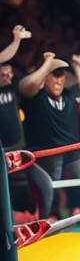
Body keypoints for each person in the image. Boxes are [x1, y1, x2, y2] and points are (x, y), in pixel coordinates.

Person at [19, 51, 80, 215]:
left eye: (62, 76)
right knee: (50, 186)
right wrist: (47, 63)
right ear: (45, 78)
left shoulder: (68, 95)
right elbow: (25, 86)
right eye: (55, 76)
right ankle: (50, 215)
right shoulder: (35, 97)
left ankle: (75, 210)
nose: (59, 80)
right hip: (49, 151)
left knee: (79, 180)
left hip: (73, 148)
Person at [0, 27, 55, 219]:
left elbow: (32, 84)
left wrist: (47, 64)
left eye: (9, 73)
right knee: (7, 195)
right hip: (2, 154)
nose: (7, 76)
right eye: (2, 74)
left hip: (20, 150)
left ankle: (43, 219)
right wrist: (16, 40)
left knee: (45, 185)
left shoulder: (15, 88)